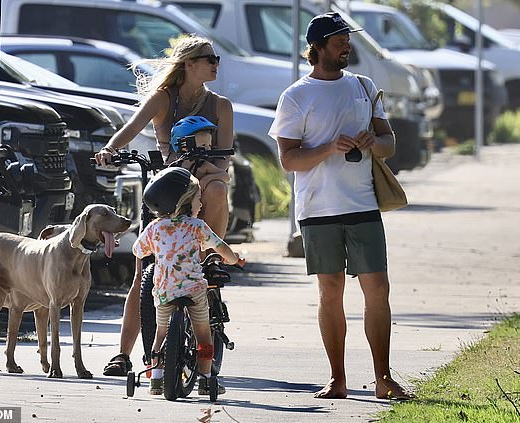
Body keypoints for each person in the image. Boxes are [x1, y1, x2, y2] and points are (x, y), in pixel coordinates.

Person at [268, 12, 413, 400]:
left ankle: (384, 378)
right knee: (330, 291)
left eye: (347, 39)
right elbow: (288, 160)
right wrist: (329, 148)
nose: (346, 45)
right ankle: (337, 379)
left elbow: (389, 143)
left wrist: (372, 143)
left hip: (363, 203)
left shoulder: (363, 86)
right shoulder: (296, 95)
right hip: (317, 209)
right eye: (338, 40)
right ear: (316, 49)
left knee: (377, 288)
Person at [95, 34, 234, 376]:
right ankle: (123, 354)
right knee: (144, 275)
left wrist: (205, 169)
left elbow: (224, 159)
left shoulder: (221, 106)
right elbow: (128, 130)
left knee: (216, 187)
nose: (216, 63)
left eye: (217, 58)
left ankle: (209, 255)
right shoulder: (163, 99)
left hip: (204, 182)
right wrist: (110, 150)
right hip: (166, 189)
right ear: (189, 64)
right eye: (209, 58)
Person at [133, 167, 242, 395]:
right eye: (197, 199)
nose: (200, 205)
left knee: (160, 333)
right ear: (184, 202)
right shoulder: (197, 226)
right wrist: (234, 259)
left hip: (164, 291)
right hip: (193, 290)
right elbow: (220, 247)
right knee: (203, 334)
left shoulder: (155, 228)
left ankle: (156, 380)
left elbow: (138, 250)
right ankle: (205, 379)